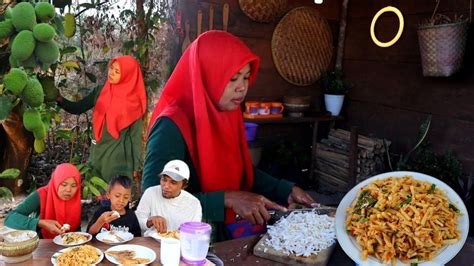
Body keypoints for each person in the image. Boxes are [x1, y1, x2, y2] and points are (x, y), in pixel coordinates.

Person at [142, 31, 316, 241]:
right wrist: (227, 199)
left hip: (222, 235)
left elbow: (237, 168)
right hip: (182, 242)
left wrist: (285, 189)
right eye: (232, 78)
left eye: (245, 77)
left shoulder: (225, 111)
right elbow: (154, 201)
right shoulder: (170, 126)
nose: (242, 87)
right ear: (207, 75)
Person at [57, 55, 146, 182]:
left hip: (117, 158)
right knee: (95, 191)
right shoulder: (101, 91)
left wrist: (136, 165)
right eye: (111, 68)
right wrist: (60, 100)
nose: (111, 73)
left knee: (115, 196)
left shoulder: (134, 102)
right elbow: (79, 107)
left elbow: (135, 137)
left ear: (128, 75)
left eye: (117, 72)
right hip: (97, 152)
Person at [5, 163, 81, 239]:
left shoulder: (75, 197)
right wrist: (40, 223)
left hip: (72, 243)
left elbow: (77, 228)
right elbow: (10, 218)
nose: (68, 190)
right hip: (42, 243)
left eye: (73, 186)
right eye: (64, 185)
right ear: (55, 182)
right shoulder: (41, 195)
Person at [136, 159, 201, 234]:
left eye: (173, 182)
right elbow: (137, 221)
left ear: (184, 185)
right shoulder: (150, 193)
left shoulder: (193, 203)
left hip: (180, 244)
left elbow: (194, 232)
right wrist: (149, 221)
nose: (166, 186)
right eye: (164, 179)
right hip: (151, 243)